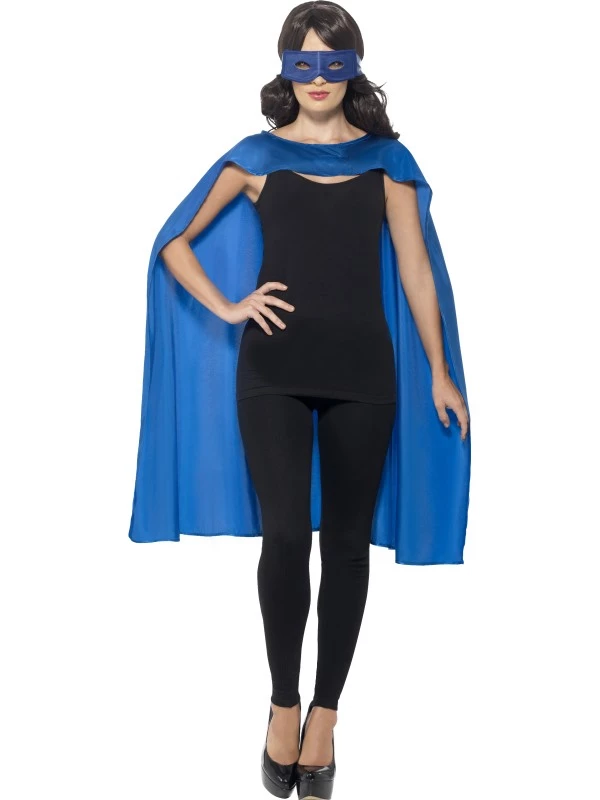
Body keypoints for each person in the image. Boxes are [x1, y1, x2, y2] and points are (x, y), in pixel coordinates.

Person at [128, 3, 470, 797]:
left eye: (333, 62)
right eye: (304, 62)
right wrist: (229, 307)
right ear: (286, 67)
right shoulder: (255, 157)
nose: (318, 79)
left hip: (364, 370)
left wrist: (440, 369)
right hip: (273, 368)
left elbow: (416, 271)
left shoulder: (387, 161)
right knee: (285, 536)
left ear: (354, 67)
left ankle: (326, 716)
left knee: (345, 545)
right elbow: (173, 240)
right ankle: (283, 704)